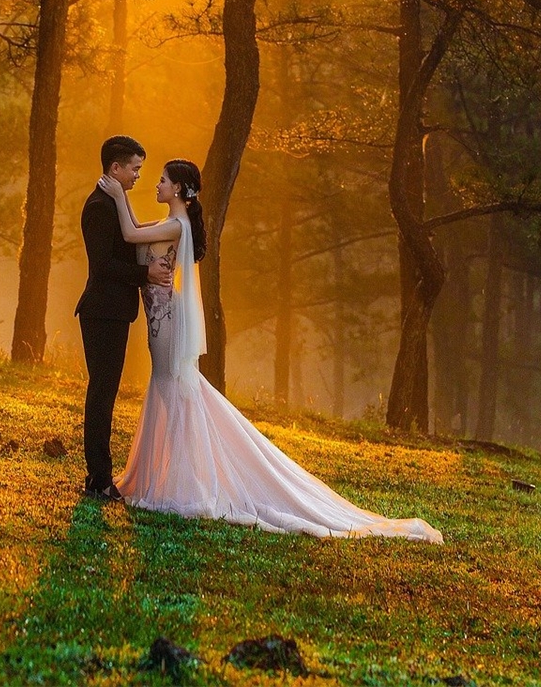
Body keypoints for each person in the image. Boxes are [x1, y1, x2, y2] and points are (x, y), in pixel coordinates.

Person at [96, 159, 443, 542]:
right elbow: (137, 232)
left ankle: (178, 482)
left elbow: (129, 235)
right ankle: (165, 476)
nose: (156, 185)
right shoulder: (172, 224)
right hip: (161, 318)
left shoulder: (176, 226)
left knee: (171, 389)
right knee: (170, 389)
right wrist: (121, 202)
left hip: (164, 321)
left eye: (161, 181)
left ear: (178, 189)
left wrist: (115, 194)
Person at [75, 135, 173, 501]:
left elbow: (132, 235)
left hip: (114, 313)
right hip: (101, 312)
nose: (137, 176)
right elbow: (102, 266)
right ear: (115, 168)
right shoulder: (99, 206)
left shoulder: (113, 201)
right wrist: (145, 275)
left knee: (105, 391)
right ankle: (99, 479)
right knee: (101, 393)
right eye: (134, 168)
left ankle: (99, 477)